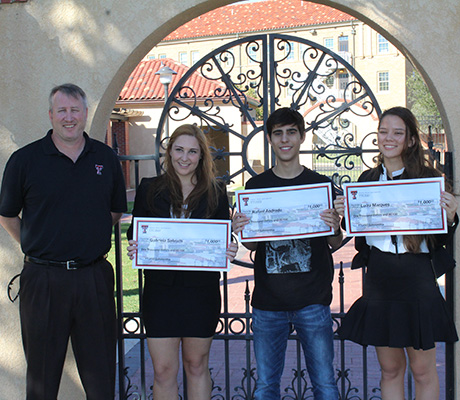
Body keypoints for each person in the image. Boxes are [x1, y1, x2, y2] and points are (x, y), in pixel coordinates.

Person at [0, 83, 127, 399]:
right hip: (42, 281)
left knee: (100, 379)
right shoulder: (24, 160)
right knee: (42, 381)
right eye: (62, 111)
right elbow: (7, 215)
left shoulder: (106, 158)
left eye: (75, 110)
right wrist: (38, 246)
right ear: (51, 115)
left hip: (93, 278)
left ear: (85, 113)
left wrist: (87, 240)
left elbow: (114, 211)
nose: (68, 117)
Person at [336, 106, 458, 400]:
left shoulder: (429, 180)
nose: (388, 138)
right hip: (380, 278)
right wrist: (345, 214)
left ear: (411, 140)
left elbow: (442, 234)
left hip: (417, 279)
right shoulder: (365, 180)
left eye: (397, 132)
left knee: (423, 370)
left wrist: (452, 215)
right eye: (383, 131)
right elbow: (359, 230)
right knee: (390, 370)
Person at [232, 107, 341, 400]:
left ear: (302, 137)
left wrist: (334, 225)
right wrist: (240, 228)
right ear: (270, 138)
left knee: (325, 385)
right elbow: (253, 246)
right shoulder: (256, 187)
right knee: (266, 386)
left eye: (291, 132)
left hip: (313, 301)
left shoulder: (321, 184)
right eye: (278, 133)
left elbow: (334, 242)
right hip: (268, 303)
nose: (285, 139)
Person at [126, 124, 238, 400]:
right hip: (161, 293)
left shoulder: (216, 191)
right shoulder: (149, 188)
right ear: (169, 152)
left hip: (200, 293)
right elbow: (136, 233)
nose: (184, 158)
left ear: (201, 156)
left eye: (192, 151)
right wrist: (135, 246)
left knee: (196, 365)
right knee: (163, 370)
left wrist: (229, 249)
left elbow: (222, 238)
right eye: (179, 150)